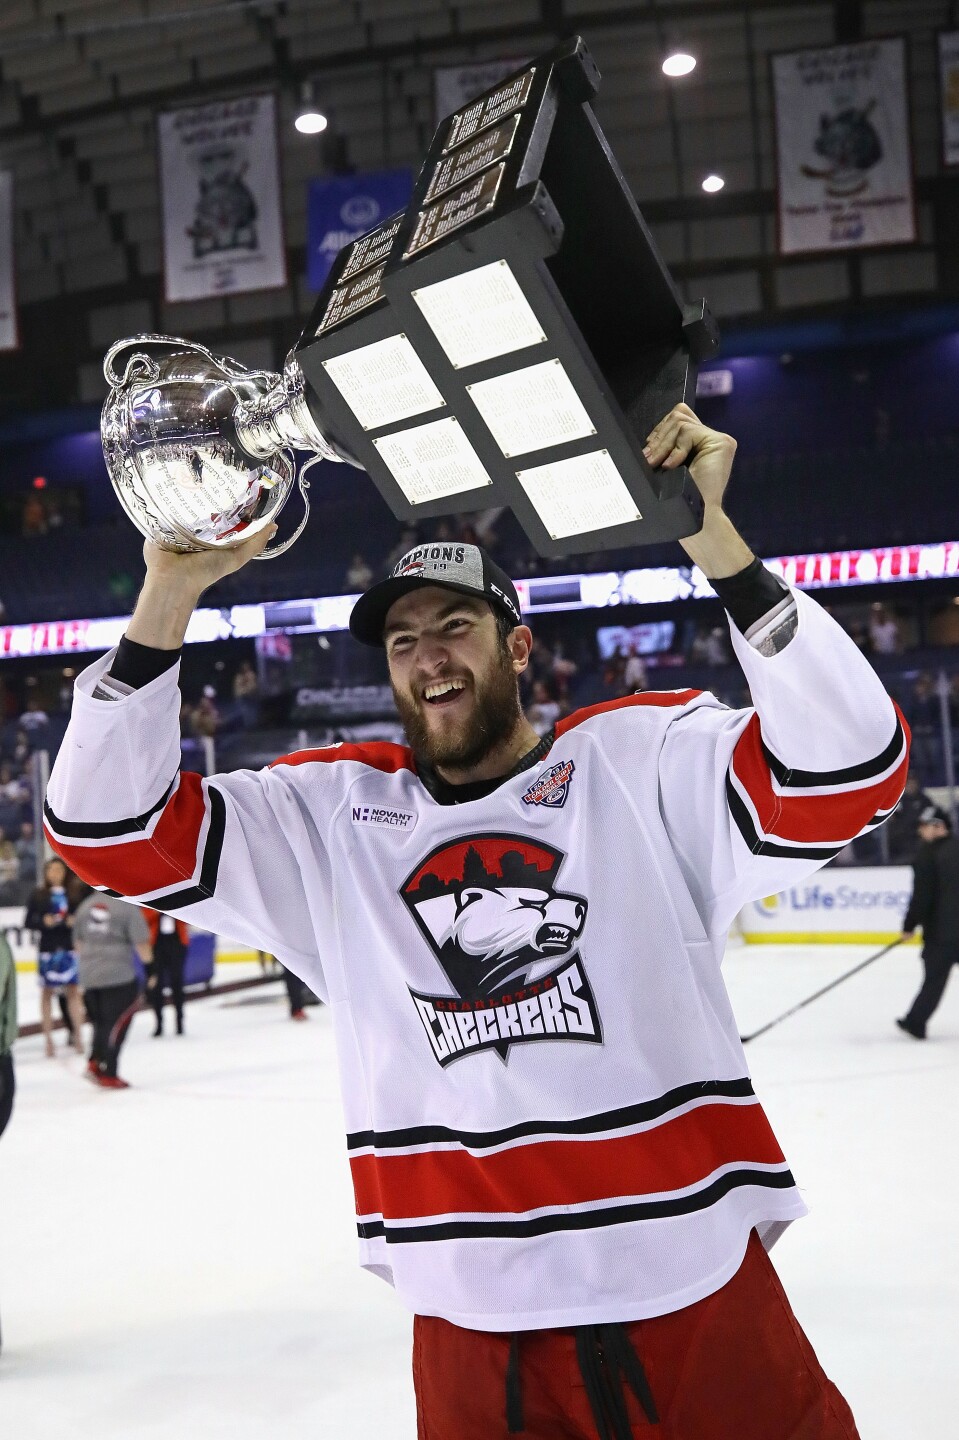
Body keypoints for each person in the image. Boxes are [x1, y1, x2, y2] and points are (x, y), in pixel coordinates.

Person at [45, 404, 909, 1440]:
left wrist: (710, 540)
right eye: (403, 641)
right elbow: (104, 831)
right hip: (466, 1311)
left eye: (455, 626)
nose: (427, 656)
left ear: (518, 643)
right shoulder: (332, 818)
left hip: (684, 1279)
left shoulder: (639, 760)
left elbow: (847, 769)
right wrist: (170, 588)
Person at [73, 893, 151, 1088]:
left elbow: (78, 942)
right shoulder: (126, 907)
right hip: (118, 976)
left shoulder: (86, 904)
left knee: (100, 1022)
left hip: (89, 975)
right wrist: (151, 970)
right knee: (116, 1024)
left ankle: (94, 1062)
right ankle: (110, 1071)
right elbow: (141, 941)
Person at [897, 805, 959, 1040]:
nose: (921, 832)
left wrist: (909, 926)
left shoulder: (927, 856)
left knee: (933, 982)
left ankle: (915, 1023)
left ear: (939, 827)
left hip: (942, 936)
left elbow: (922, 897)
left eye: (924, 827)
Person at [24, 858, 84, 1059]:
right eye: (51, 870)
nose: (55, 873)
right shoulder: (39, 895)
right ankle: (48, 1039)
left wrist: (74, 922)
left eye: (59, 869)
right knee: (47, 994)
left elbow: (83, 918)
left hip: (68, 948)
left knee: (73, 992)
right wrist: (42, 921)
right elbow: (28, 921)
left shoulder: (74, 894)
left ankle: (78, 1034)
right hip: (48, 949)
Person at [141, 908, 189, 1036]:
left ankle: (179, 1022)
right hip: (157, 944)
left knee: (177, 984)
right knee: (157, 986)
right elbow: (144, 917)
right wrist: (158, 909)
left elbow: (187, 917)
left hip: (176, 943)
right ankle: (159, 1024)